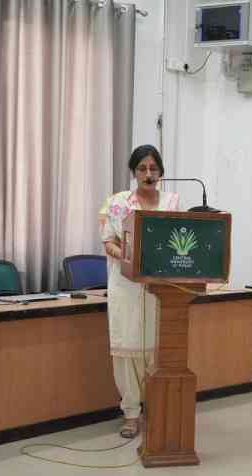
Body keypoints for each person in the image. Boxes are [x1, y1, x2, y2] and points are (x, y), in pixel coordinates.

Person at [100, 145, 179, 438]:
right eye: (142, 169)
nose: (148, 174)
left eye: (153, 169)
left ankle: (158, 408)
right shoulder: (119, 202)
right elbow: (108, 242)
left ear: (161, 172)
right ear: (133, 172)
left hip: (162, 289)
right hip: (126, 286)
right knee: (127, 350)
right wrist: (129, 258)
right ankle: (131, 414)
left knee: (157, 352)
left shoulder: (172, 201)